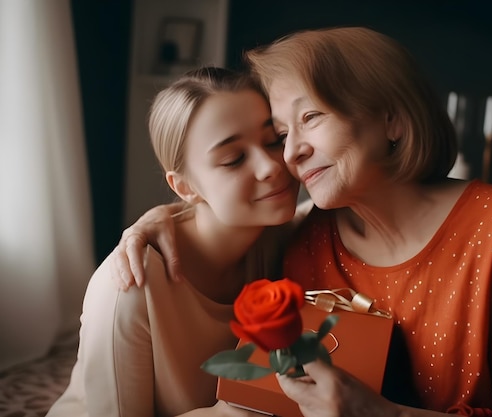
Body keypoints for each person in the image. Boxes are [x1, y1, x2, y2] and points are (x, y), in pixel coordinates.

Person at [112, 27, 492, 417]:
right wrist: (164, 219)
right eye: (281, 132)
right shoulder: (307, 242)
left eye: (311, 119)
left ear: (392, 120)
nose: (291, 153)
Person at [47, 66, 305, 416]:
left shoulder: (285, 237)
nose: (270, 166)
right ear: (184, 187)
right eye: (233, 159)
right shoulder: (129, 286)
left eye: (274, 139)